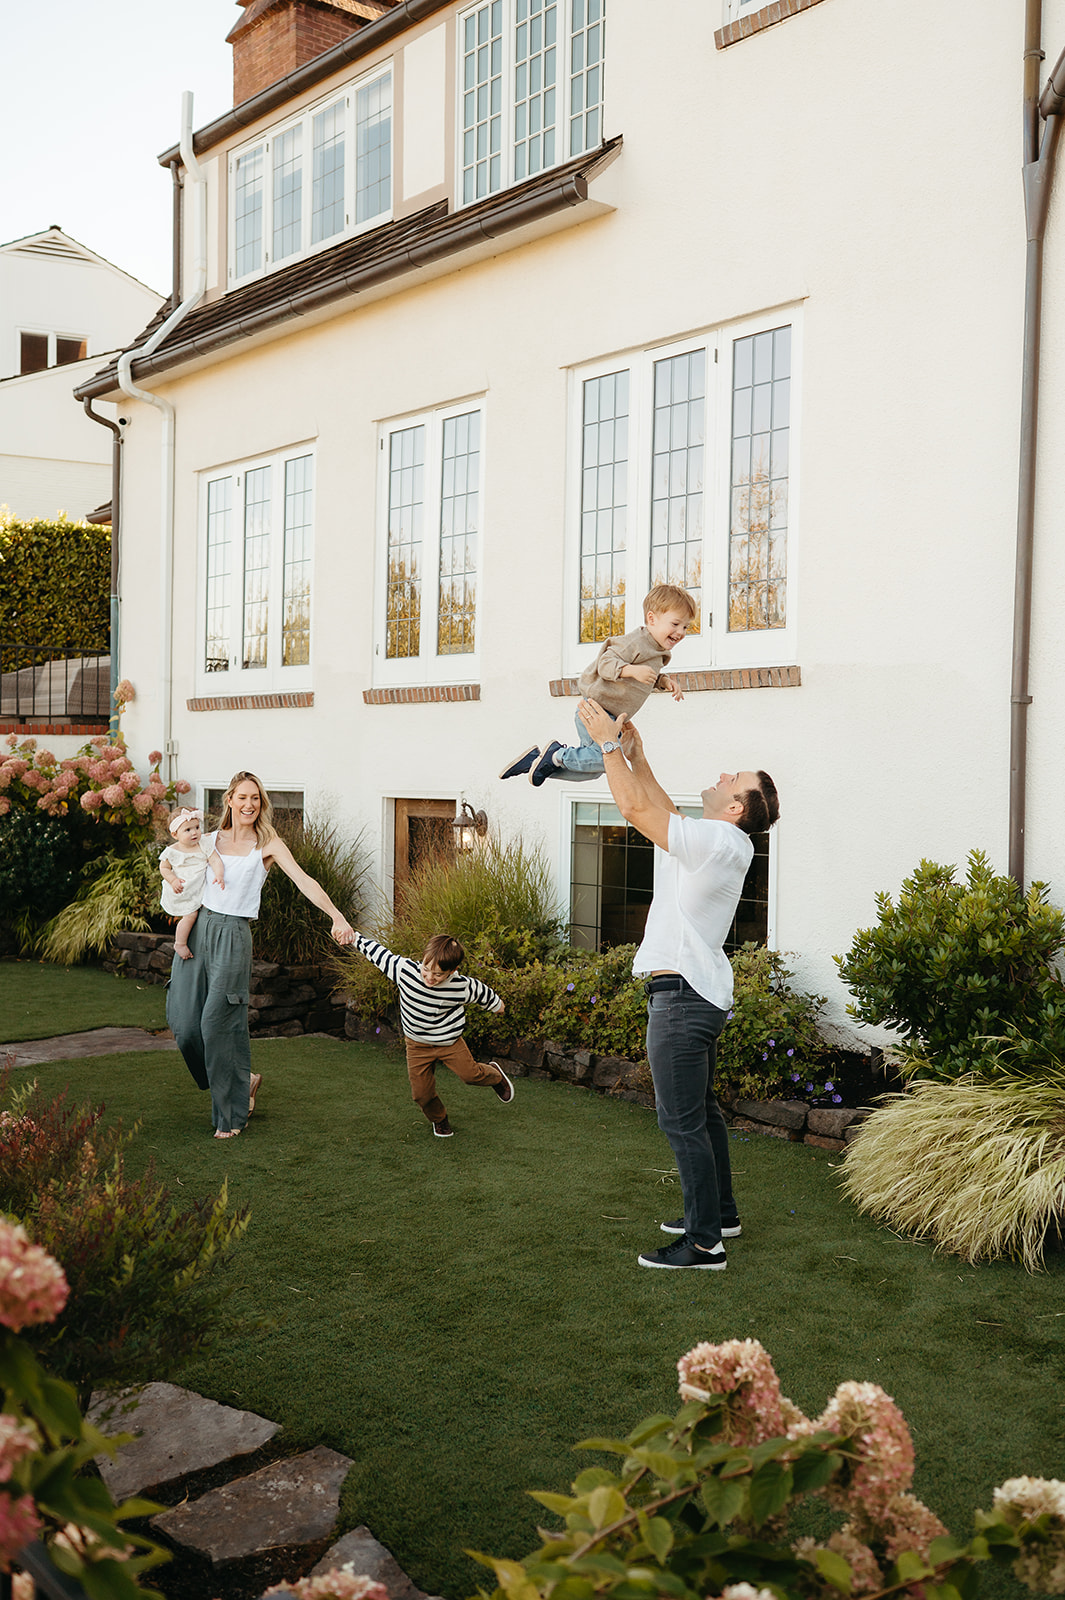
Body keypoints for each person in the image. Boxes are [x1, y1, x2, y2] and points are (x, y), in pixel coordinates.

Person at [577, 696, 779, 1271]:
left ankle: (704, 1242)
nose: (720, 776)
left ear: (737, 807)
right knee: (703, 1112)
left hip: (684, 999)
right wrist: (638, 756)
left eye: (731, 778)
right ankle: (723, 1214)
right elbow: (658, 806)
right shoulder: (718, 840)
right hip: (697, 994)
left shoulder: (719, 841)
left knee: (681, 1119)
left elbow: (637, 813)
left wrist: (608, 746)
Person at [166, 771, 356, 1140]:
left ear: (261, 803)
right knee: (186, 1026)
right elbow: (174, 863)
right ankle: (244, 1080)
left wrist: (337, 915)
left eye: (256, 798)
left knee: (218, 1026)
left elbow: (305, 882)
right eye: (242, 797)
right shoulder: (207, 839)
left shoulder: (268, 844)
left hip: (233, 936)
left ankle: (231, 1116)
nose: (249, 804)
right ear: (230, 802)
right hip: (199, 929)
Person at [499, 584, 695, 787]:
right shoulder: (635, 642)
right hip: (596, 710)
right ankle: (556, 754)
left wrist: (664, 681)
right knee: (605, 759)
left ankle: (536, 762)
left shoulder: (659, 651)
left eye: (686, 627)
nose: (680, 632)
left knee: (593, 770)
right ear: (652, 618)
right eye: (675, 624)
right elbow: (605, 664)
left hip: (611, 718)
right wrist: (630, 670)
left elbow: (646, 676)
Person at [348, 930, 515, 1137]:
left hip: (449, 1043)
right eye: (426, 969)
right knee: (421, 1095)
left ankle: (496, 1076)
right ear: (423, 959)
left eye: (437, 975)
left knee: (470, 1075)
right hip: (417, 1045)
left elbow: (483, 993)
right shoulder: (405, 971)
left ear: (452, 971)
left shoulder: (460, 986)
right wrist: (354, 937)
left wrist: (498, 1006)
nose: (429, 977)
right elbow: (379, 954)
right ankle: (439, 1118)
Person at [159, 807, 227, 961]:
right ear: (175, 834)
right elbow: (164, 868)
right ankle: (180, 943)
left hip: (198, 887)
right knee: (190, 915)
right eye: (188, 830)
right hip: (183, 888)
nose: (194, 832)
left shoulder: (203, 844)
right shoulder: (172, 851)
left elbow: (215, 859)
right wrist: (173, 880)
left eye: (197, 827)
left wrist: (219, 874)